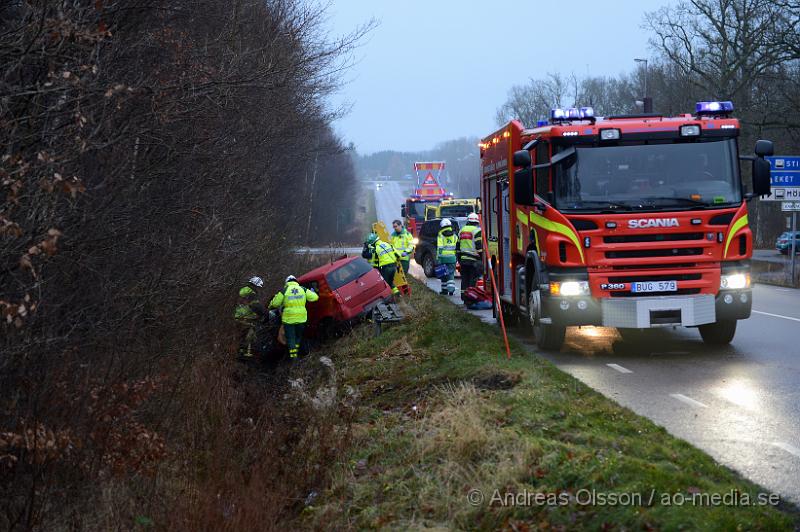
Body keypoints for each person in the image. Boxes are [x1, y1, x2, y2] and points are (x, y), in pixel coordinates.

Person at [268, 275, 319, 360]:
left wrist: (271, 304)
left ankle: (293, 357)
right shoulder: (302, 289)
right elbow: (315, 297)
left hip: (289, 319)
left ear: (287, 282)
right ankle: (297, 353)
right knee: (298, 337)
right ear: (296, 281)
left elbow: (275, 304)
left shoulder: (284, 290)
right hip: (302, 318)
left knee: (291, 338)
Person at [234, 276, 267, 358]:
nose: (259, 289)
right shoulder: (251, 293)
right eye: (259, 287)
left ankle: (242, 350)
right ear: (255, 285)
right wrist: (265, 312)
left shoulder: (244, 290)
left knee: (243, 333)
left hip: (239, 314)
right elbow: (255, 305)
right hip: (245, 316)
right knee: (252, 331)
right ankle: (245, 352)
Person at [457, 212, 483, 301]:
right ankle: (470, 298)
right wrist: (483, 258)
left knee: (464, 279)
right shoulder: (477, 230)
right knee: (472, 280)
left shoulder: (462, 230)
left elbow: (458, 246)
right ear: (477, 222)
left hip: (463, 260)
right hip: (473, 260)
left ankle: (464, 297)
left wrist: (459, 259)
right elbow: (479, 246)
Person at [437, 218, 457, 295]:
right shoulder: (454, 235)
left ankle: (444, 291)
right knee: (451, 274)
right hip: (452, 258)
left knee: (443, 274)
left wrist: (438, 258)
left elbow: (440, 247)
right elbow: (456, 246)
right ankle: (451, 291)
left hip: (442, 258)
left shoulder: (440, 235)